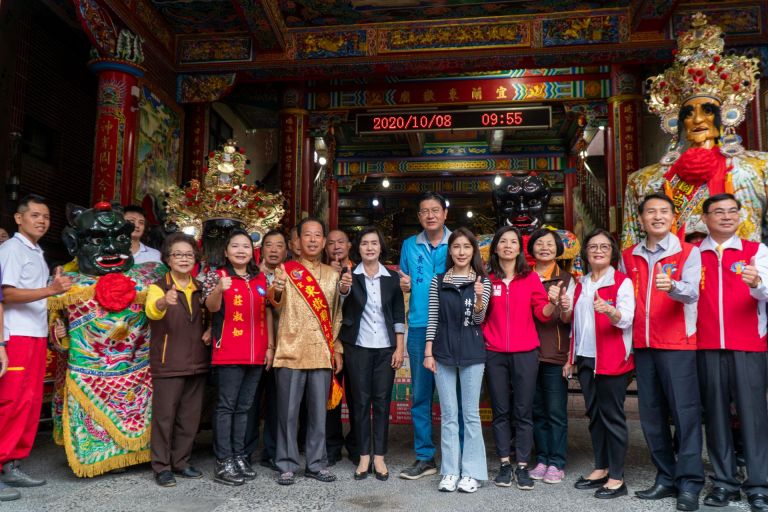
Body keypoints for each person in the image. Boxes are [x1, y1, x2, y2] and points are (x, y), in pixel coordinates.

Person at [622, 13, 767, 251]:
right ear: (677, 121)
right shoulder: (645, 181)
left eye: (708, 110)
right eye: (688, 113)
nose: (698, 119)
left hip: (742, 277)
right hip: (671, 279)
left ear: (726, 113)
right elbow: (632, 246)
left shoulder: (758, 169)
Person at [49, 202, 165, 477]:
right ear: (75, 244)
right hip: (90, 374)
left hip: (137, 369)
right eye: (100, 240)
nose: (112, 249)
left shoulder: (149, 276)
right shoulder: (70, 284)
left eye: (120, 239)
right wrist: (60, 334)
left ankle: (137, 454)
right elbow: (56, 328)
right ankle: (100, 458)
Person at [620, 193, 703, 512]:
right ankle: (666, 477)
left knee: (685, 414)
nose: (657, 216)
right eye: (651, 212)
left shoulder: (687, 252)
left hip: (677, 343)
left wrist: (675, 287)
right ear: (641, 219)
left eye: (664, 211)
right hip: (643, 345)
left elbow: (693, 293)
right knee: (652, 416)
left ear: (673, 218)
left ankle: (690, 482)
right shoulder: (629, 256)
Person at [695, 193, 768, 512]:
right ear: (706, 218)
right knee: (716, 416)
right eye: (718, 212)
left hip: (749, 344)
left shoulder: (756, 251)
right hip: (707, 344)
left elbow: (767, 289)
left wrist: (757, 283)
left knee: (754, 416)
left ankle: (759, 484)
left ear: (740, 216)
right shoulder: (694, 254)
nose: (726, 216)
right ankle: (724, 482)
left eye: (732, 211)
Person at [269, 217, 352, 486]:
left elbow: (337, 316)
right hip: (291, 350)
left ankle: (316, 463)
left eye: (318, 235)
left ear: (324, 241)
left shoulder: (332, 274)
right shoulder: (286, 270)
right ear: (298, 241)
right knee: (288, 414)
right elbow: (274, 304)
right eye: (308, 235)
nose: (314, 240)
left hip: (321, 352)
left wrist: (336, 349)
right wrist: (277, 288)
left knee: (319, 415)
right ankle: (286, 463)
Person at [0, 195, 71, 501]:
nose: (42, 221)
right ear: (19, 219)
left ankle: (12, 465)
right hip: (14, 335)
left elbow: (39, 297)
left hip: (35, 336)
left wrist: (52, 301)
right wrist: (50, 290)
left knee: (27, 402)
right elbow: (7, 295)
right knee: (9, 401)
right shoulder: (11, 249)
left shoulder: (36, 252)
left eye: (46, 217)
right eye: (35, 215)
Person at [482, 225, 556, 490]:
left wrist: (554, 303)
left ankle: (523, 465)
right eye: (503, 241)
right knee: (501, 411)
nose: (508, 246)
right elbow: (480, 316)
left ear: (519, 249)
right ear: (496, 248)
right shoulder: (487, 279)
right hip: (494, 352)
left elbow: (542, 313)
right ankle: (504, 463)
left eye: (513, 241)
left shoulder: (530, 278)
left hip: (525, 352)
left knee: (524, 411)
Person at [564, 229, 634, 500]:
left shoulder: (622, 282)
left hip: (612, 359)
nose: (598, 250)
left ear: (612, 252)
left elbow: (628, 319)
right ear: (586, 253)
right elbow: (574, 326)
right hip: (585, 358)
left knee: (612, 417)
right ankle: (601, 467)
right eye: (593, 246)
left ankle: (617, 477)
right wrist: (571, 358)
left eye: (604, 246)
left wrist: (611, 311)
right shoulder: (580, 284)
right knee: (594, 416)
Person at [202, 229, 273, 486]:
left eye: (245, 246)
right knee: (226, 407)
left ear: (252, 251)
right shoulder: (217, 276)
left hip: (255, 352)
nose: (241, 250)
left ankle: (239, 455)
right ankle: (223, 460)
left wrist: (269, 347)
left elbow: (266, 313)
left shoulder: (260, 278)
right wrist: (219, 289)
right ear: (226, 251)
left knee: (244, 407)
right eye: (235, 246)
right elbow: (211, 308)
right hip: (229, 351)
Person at [423, 227, 490, 493]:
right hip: (443, 352)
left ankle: (471, 472)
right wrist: (428, 352)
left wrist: (477, 303)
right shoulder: (437, 281)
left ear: (473, 251)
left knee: (470, 415)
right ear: (450, 251)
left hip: (473, 353)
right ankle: (450, 471)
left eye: (466, 247)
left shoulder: (482, 281)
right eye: (456, 247)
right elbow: (433, 319)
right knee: (449, 415)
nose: (461, 252)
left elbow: (478, 321)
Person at [339, 226, 405, 481]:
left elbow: (398, 315)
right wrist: (343, 288)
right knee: (360, 402)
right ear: (359, 248)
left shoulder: (392, 277)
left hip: (386, 348)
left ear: (380, 247)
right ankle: (363, 455)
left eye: (374, 243)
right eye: (365, 243)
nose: (369, 247)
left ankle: (380, 457)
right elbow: (342, 299)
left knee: (381, 402)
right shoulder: (349, 276)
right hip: (357, 347)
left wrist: (399, 347)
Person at [146, 233, 210, 487]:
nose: (184, 259)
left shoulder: (201, 288)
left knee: (190, 416)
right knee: (164, 417)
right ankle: (161, 466)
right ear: (168, 259)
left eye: (188, 254)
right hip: (168, 361)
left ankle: (181, 461)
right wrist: (164, 300)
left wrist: (210, 330)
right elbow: (152, 309)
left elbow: (211, 318)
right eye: (178, 254)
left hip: (197, 361)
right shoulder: (158, 287)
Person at [398, 191, 451, 480]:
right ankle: (425, 457)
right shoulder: (409, 245)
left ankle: (455, 456)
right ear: (419, 217)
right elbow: (405, 280)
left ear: (445, 213)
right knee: (421, 395)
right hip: (419, 327)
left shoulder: (457, 243)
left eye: (435, 210)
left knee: (451, 396)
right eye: (424, 211)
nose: (430, 215)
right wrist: (404, 286)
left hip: (451, 327)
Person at [528, 228, 574, 484]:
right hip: (528, 353)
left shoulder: (567, 279)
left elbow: (571, 320)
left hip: (555, 354)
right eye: (540, 243)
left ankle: (557, 462)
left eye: (550, 244)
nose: (545, 248)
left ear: (558, 249)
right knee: (536, 410)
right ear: (532, 248)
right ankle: (542, 458)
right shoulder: (525, 277)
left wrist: (570, 357)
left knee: (555, 411)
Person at [244, 229, 288, 470]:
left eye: (278, 245)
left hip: (283, 347)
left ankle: (272, 453)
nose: (273, 249)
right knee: (249, 402)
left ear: (286, 250)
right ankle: (246, 451)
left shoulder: (291, 275)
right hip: (253, 346)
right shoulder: (250, 275)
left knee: (276, 403)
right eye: (269, 245)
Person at [324, 229, 357, 466]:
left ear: (349, 246)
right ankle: (331, 447)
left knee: (357, 397)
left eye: (341, 242)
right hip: (328, 342)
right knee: (331, 398)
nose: (336, 246)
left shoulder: (361, 271)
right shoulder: (321, 274)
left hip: (355, 342)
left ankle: (357, 446)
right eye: (332, 243)